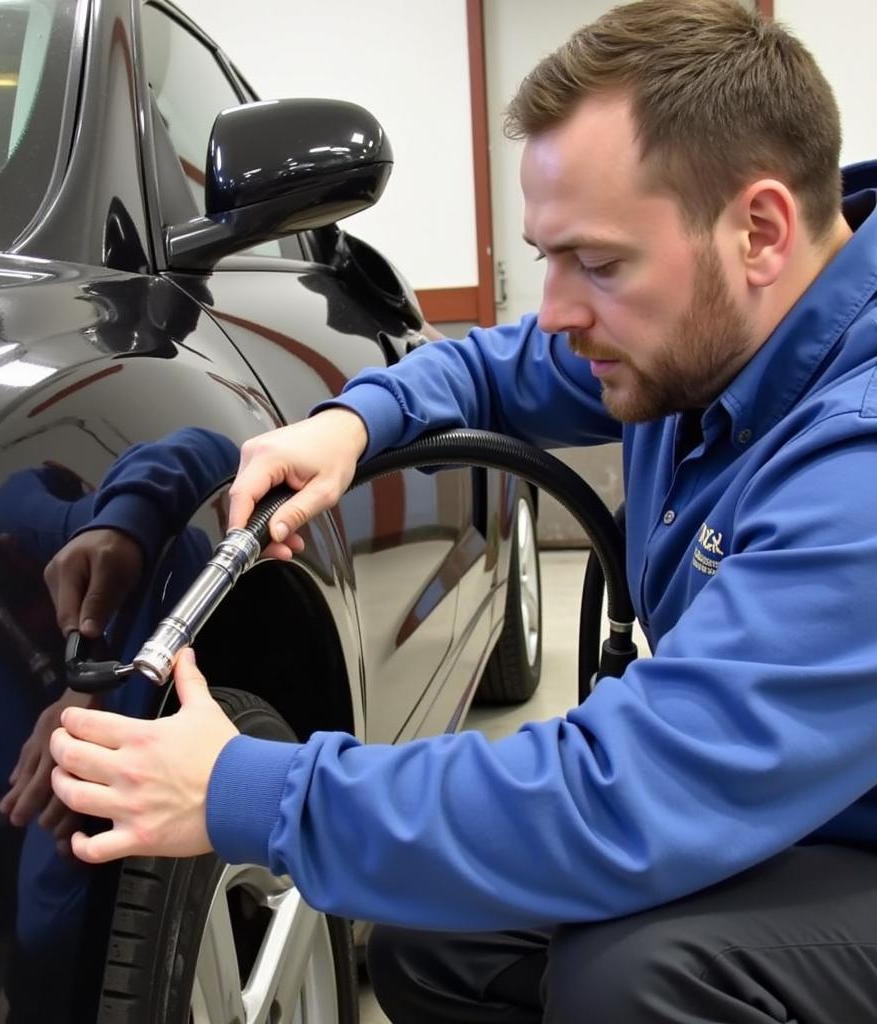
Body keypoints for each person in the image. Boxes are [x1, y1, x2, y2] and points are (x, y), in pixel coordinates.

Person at [47, 0, 877, 1019]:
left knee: (636, 975)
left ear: (758, 230)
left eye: (599, 263)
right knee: (442, 938)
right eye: (549, 256)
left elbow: (627, 796)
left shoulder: (858, 463)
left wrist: (241, 791)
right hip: (810, 797)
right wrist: (354, 422)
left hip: (843, 825)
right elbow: (503, 364)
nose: (560, 308)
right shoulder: (713, 327)